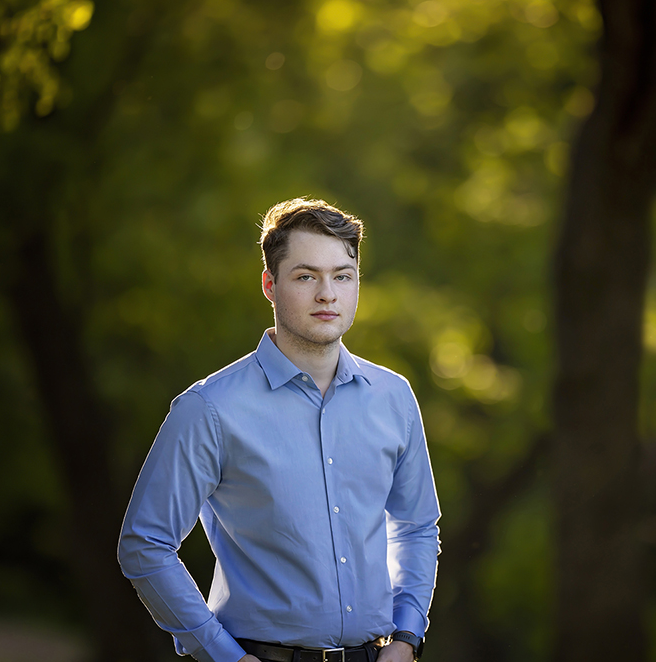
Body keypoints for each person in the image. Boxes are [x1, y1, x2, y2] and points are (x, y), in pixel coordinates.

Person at [118, 198, 441, 662]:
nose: (327, 293)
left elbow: (415, 527)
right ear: (270, 285)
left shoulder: (394, 397)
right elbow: (145, 544)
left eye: (342, 276)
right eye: (306, 276)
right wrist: (221, 654)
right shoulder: (210, 408)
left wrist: (408, 638)